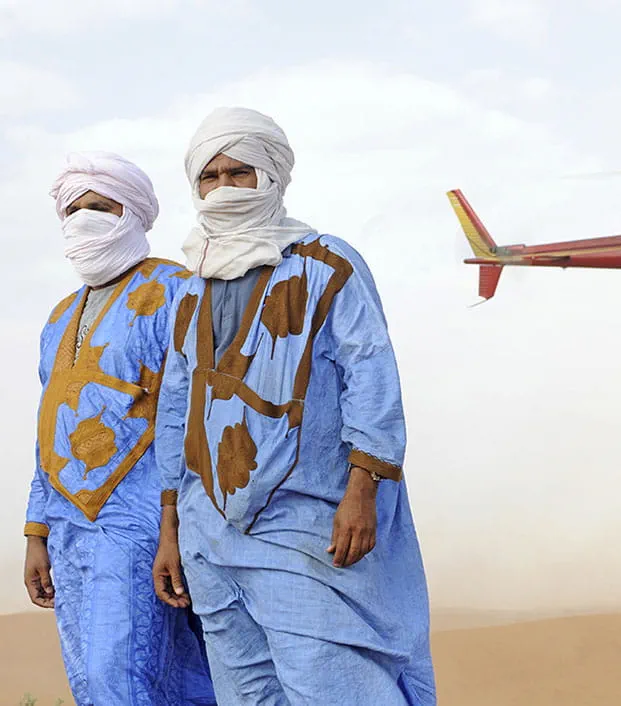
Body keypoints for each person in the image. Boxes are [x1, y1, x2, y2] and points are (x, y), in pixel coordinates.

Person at [153, 106, 436, 705]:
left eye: (240, 173)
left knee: (332, 686)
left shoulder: (327, 264)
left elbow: (372, 377)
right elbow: (175, 415)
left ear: (271, 177)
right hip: (209, 539)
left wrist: (364, 490)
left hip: (307, 527)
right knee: (246, 694)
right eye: (211, 177)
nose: (224, 189)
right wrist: (171, 528)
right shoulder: (189, 291)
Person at [23, 151, 217, 704]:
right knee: (95, 681)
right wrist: (36, 532)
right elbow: (49, 430)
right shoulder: (59, 317)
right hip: (67, 527)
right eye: (75, 209)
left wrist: (174, 526)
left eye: (102, 207)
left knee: (121, 679)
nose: (86, 219)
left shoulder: (176, 289)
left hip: (144, 521)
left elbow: (190, 416)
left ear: (132, 213)